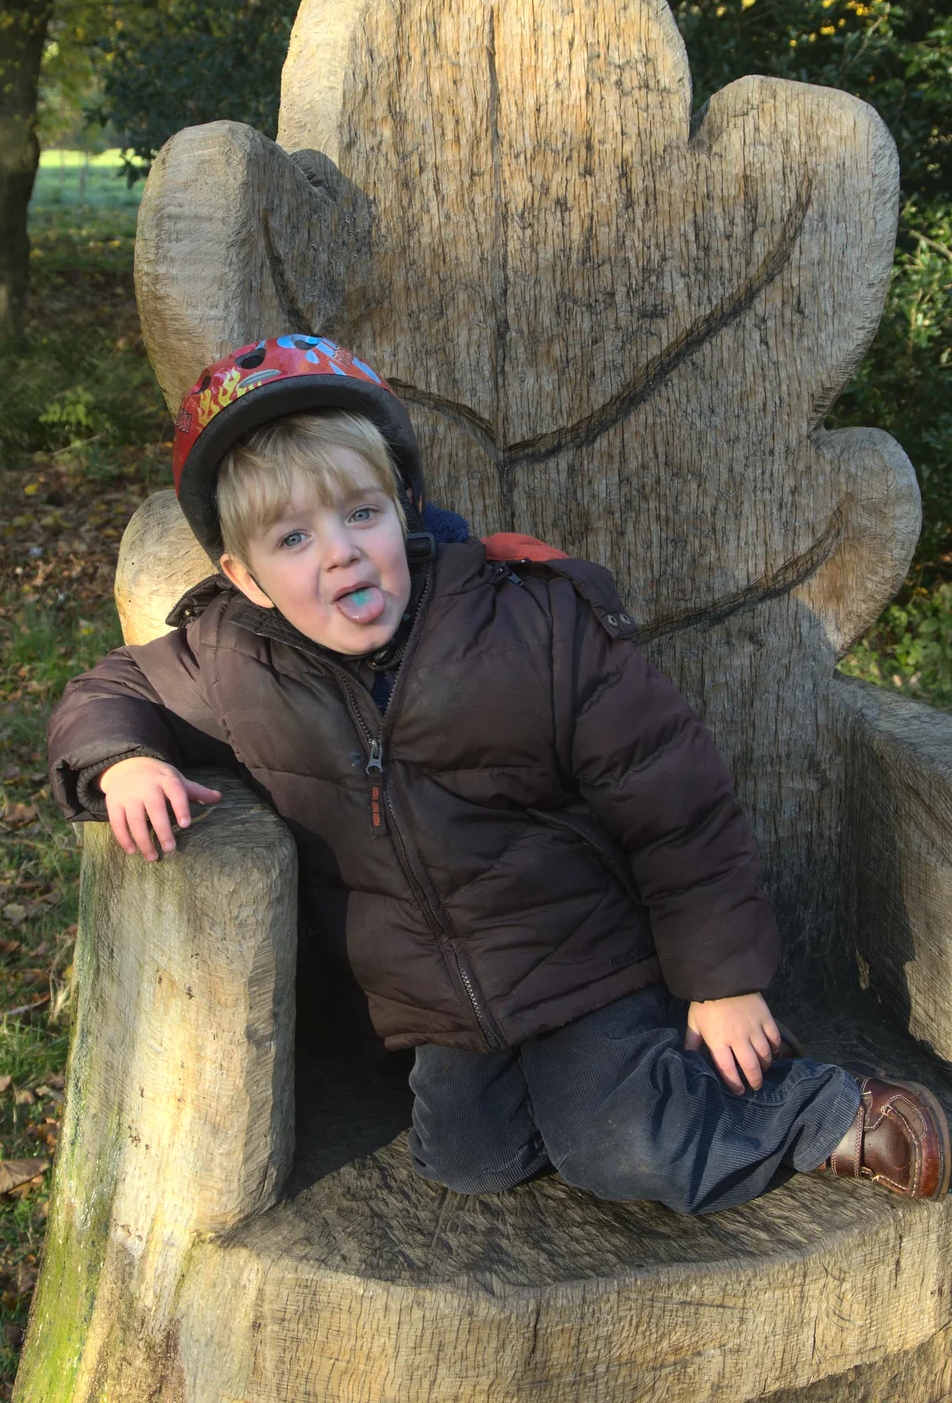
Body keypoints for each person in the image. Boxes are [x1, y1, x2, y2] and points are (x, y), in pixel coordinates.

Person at [48, 333, 951, 1213]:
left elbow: (678, 805)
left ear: (402, 512)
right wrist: (121, 759)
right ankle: (640, 1088)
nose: (340, 552)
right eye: (293, 538)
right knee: (466, 1160)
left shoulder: (528, 624)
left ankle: (824, 1112)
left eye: (361, 514)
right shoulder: (235, 660)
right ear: (243, 578)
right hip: (441, 1010)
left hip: (586, 959)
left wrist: (720, 979)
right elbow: (105, 691)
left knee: (613, 1143)